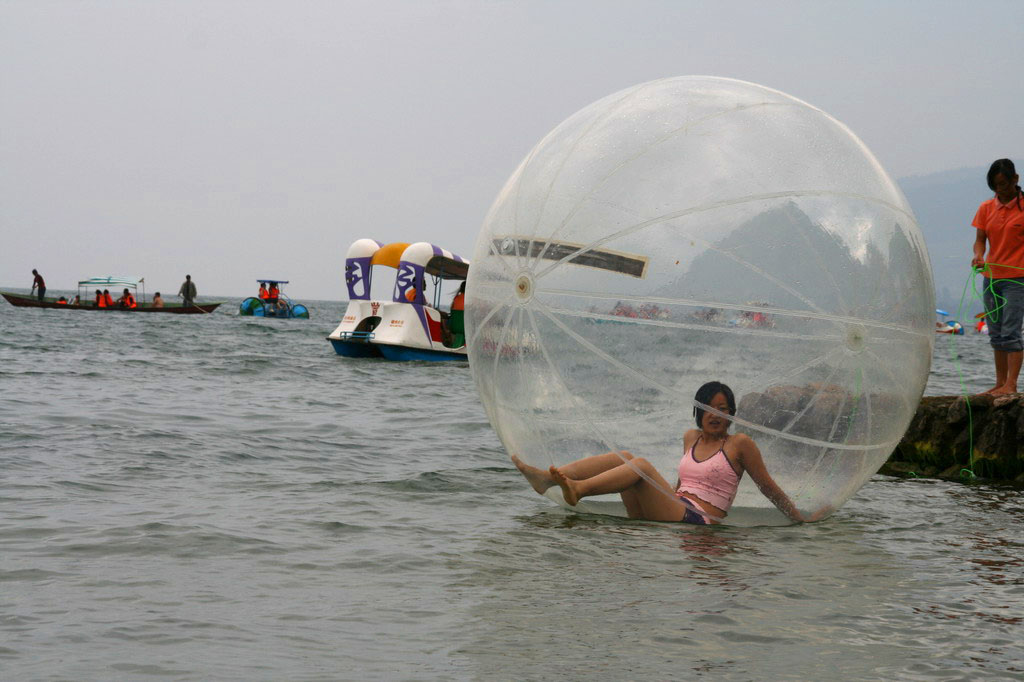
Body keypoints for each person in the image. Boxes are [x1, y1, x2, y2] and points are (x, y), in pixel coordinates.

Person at [511, 381, 831, 525]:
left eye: (723, 409)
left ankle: (578, 489)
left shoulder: (740, 444)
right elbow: (682, 483)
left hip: (698, 520)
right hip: (674, 508)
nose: (716, 415)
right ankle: (547, 479)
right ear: (699, 412)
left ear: (731, 413)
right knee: (625, 457)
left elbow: (767, 486)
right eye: (709, 408)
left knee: (641, 466)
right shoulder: (691, 437)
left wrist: (799, 518)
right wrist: (663, 496)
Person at [971, 158, 1024, 395]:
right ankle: (1000, 383)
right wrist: (978, 256)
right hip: (992, 278)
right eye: (995, 185)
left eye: (1004, 184)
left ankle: (1011, 384)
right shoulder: (986, 208)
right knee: (995, 330)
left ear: (1015, 179)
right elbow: (980, 240)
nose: (1000, 189)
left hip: (1017, 279)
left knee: (1011, 330)